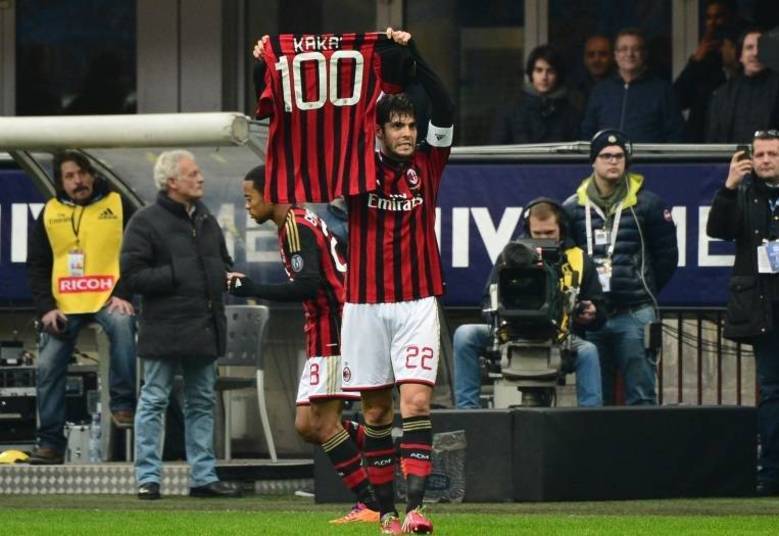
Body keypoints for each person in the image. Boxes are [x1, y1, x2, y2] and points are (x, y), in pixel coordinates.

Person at [337, 28, 453, 535]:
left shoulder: (429, 163)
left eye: (411, 125)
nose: (407, 132)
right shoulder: (355, 167)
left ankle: (416, 511)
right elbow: (341, 117)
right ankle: (385, 514)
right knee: (377, 411)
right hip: (363, 304)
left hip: (417, 301)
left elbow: (444, 105)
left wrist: (413, 52)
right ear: (380, 130)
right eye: (398, 125)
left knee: (417, 402)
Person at [227, 165, 379, 524]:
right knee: (307, 425)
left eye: (250, 198)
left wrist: (252, 289)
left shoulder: (296, 225)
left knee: (323, 424)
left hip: (333, 326)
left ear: (272, 194)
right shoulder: (300, 220)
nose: (247, 207)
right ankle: (386, 447)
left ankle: (371, 503)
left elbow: (309, 285)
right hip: (324, 326)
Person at [120, 150, 241, 500]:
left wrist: (226, 274)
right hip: (165, 327)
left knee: (202, 400)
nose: (201, 178)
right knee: (154, 399)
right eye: (193, 173)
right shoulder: (145, 221)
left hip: (203, 326)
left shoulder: (205, 218)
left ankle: (203, 478)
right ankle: (147, 478)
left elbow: (222, 260)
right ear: (172, 182)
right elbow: (132, 276)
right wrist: (177, 274)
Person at [25, 150, 137, 465]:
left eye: (82, 173)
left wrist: (124, 292)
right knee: (47, 366)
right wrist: (46, 308)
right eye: (70, 177)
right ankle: (50, 444)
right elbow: (36, 266)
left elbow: (137, 252)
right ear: (61, 182)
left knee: (123, 325)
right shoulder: (49, 212)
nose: (79, 181)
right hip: (64, 304)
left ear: (93, 174)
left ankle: (123, 405)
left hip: (108, 297)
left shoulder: (118, 203)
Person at [453, 199, 605, 409]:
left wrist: (591, 313)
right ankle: (467, 413)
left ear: (561, 229)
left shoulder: (579, 259)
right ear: (528, 230)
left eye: (550, 232)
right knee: (465, 334)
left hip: (558, 336)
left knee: (588, 351)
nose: (544, 238)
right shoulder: (509, 258)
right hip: (510, 332)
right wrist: (500, 316)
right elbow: (487, 300)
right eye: (538, 234)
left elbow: (600, 312)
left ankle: (591, 420)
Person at [564, 130, 678, 405]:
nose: (613, 161)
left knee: (641, 395)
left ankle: (643, 449)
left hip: (635, 313)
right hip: (591, 317)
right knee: (593, 398)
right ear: (593, 161)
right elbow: (568, 262)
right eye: (605, 156)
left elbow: (667, 258)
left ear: (627, 161)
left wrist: (641, 288)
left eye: (619, 156)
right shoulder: (572, 208)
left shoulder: (648, 204)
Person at [706, 130, 779, 496]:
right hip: (764, 308)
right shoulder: (744, 194)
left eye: (773, 154)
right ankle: (771, 474)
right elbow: (717, 230)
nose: (765, 160)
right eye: (760, 154)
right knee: (771, 391)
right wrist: (730, 187)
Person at [581, 28, 684, 143]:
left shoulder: (662, 91)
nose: (629, 54)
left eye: (635, 49)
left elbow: (675, 133)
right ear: (615, 55)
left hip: (649, 159)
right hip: (608, 159)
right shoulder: (600, 91)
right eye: (623, 49)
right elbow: (588, 132)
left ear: (644, 54)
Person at [674, 0, 742, 141]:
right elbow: (677, 100)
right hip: (702, 140)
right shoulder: (703, 61)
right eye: (709, 18)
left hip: (736, 138)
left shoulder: (746, 57)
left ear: (731, 18)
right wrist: (696, 60)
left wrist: (733, 64)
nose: (713, 23)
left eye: (719, 17)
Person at [491, 45, 581, 144]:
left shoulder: (570, 114)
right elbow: (497, 150)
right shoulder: (511, 110)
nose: (544, 77)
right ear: (531, 74)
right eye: (539, 70)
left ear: (558, 75)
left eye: (550, 71)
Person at [705, 28, 779, 143]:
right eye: (749, 48)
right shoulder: (723, 94)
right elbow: (714, 137)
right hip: (730, 159)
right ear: (740, 56)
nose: (756, 53)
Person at [575, 35, 614, 102]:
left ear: (612, 57)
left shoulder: (622, 87)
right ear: (584, 59)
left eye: (603, 54)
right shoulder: (575, 90)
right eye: (591, 55)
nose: (596, 60)